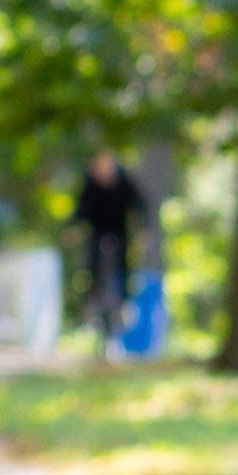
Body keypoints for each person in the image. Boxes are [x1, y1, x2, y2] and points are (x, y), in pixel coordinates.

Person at [74, 148, 148, 357]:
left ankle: (124, 306)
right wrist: (75, 227)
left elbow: (140, 205)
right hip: (97, 235)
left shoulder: (124, 181)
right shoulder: (91, 184)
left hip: (119, 234)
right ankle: (92, 308)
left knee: (123, 271)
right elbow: (82, 209)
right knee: (92, 270)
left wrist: (142, 229)